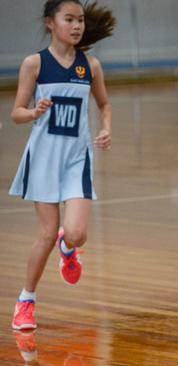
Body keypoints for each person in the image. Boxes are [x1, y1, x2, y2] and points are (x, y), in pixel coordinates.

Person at [9, 0, 115, 330]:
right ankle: (26, 301)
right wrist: (33, 113)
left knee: (78, 232)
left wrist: (106, 127)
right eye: (69, 19)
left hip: (76, 159)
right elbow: (16, 112)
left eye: (80, 20)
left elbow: (104, 103)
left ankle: (67, 247)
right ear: (50, 23)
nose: (77, 25)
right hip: (43, 158)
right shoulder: (34, 64)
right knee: (44, 233)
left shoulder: (91, 66)